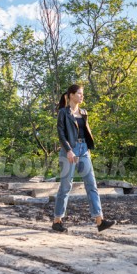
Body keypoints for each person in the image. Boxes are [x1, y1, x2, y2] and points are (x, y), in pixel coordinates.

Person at [52, 84, 115, 233]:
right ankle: (57, 220)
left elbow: (85, 132)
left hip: (84, 150)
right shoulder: (63, 112)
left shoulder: (84, 112)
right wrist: (68, 150)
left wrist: (87, 149)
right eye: (79, 93)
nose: (82, 96)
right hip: (70, 151)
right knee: (66, 187)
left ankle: (100, 221)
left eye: (82, 94)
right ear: (71, 95)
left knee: (92, 185)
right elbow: (61, 134)